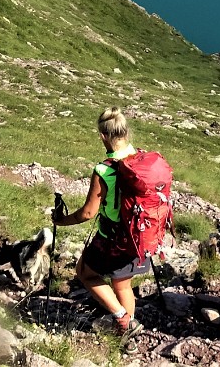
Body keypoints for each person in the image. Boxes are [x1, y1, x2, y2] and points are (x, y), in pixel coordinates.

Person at [53, 107, 149, 336]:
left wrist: (62, 221)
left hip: (112, 238)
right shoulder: (141, 159)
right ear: (126, 133)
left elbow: (87, 213)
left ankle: (123, 320)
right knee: (123, 284)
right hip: (138, 234)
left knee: (85, 273)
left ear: (103, 136)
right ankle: (127, 332)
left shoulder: (104, 170)